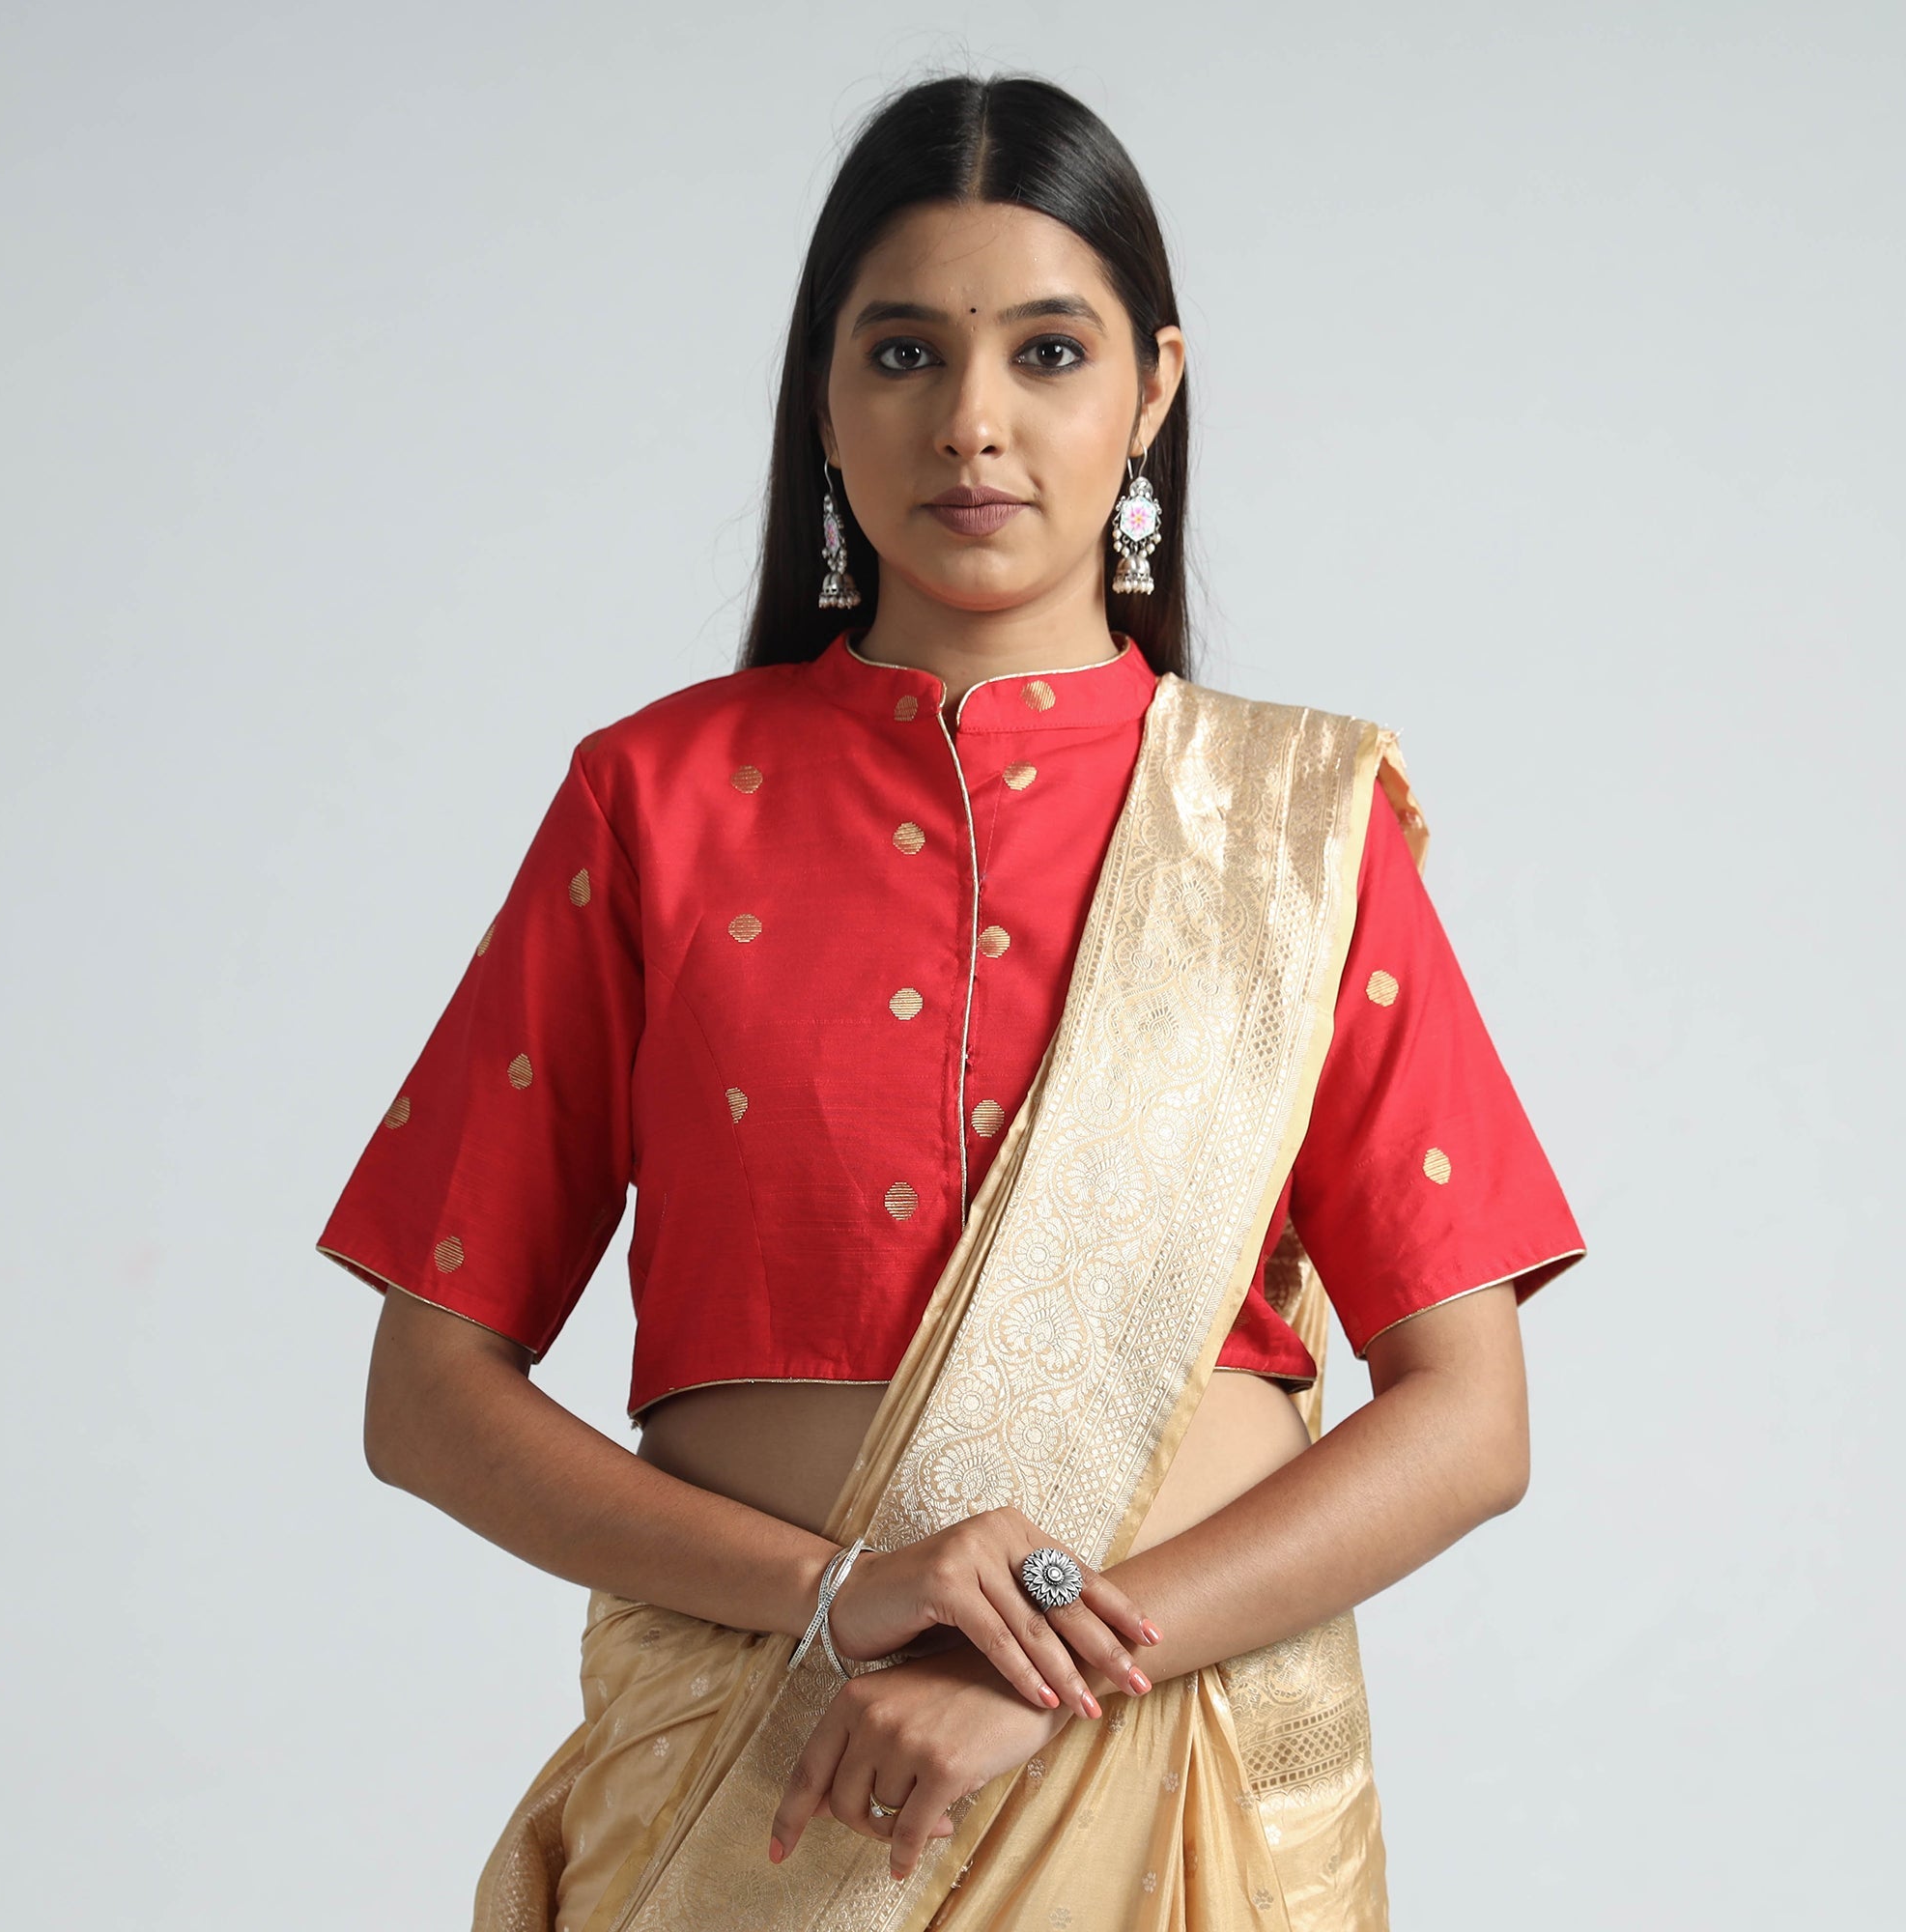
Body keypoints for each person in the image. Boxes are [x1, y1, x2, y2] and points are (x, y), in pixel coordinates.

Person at [315, 71, 1585, 1930]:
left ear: (1153, 387)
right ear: (823, 396)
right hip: (763, 1767)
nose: (973, 422)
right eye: (904, 352)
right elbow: (427, 1399)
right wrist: (837, 1601)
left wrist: (1047, 1671)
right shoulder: (652, 802)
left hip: (1177, 1776)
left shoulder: (1296, 831)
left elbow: (1470, 1422)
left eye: (1048, 353)